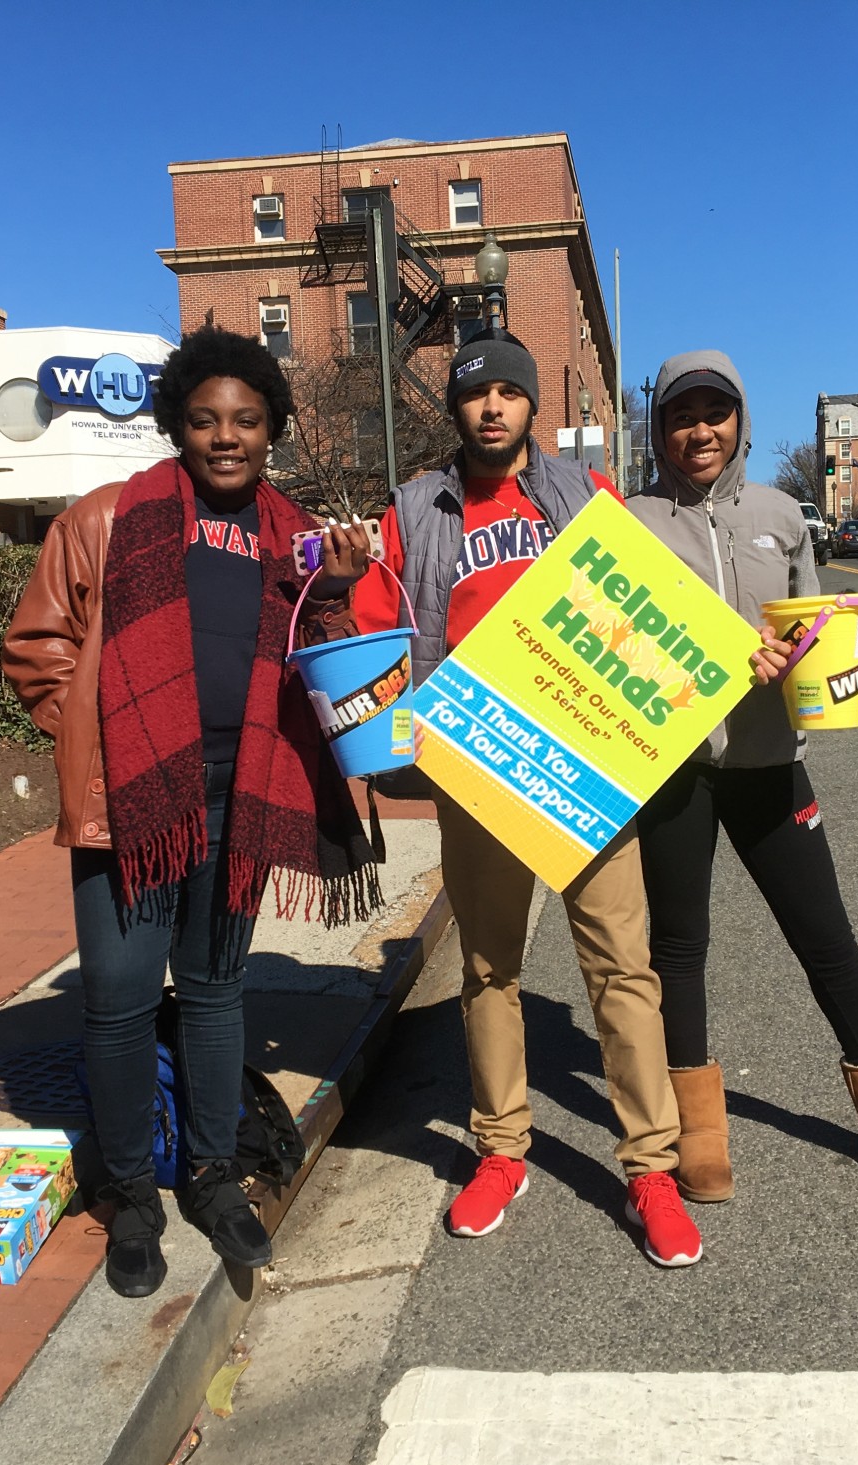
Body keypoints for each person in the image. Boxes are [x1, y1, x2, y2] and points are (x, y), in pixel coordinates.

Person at [3, 327, 380, 1299]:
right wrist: (99, 740)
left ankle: (211, 1173)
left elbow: (327, 657)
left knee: (214, 992)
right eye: (206, 419)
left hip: (236, 792)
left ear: (271, 430)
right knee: (120, 998)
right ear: (177, 424)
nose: (225, 437)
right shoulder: (106, 519)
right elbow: (36, 647)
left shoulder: (294, 536)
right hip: (133, 805)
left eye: (246, 420)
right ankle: (130, 1192)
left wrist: (333, 589)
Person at [343, 330, 703, 1268]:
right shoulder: (414, 510)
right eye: (475, 394)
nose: (492, 407)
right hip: (478, 762)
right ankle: (501, 1151)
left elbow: (650, 611)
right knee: (489, 968)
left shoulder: (584, 495)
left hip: (583, 761)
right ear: (456, 409)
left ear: (532, 403)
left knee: (621, 967)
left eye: (508, 392)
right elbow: (380, 632)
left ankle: (651, 1169)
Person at [624, 350, 858, 1203]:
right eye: (681, 416)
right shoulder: (632, 522)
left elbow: (812, 622)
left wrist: (822, 645)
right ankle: (699, 1129)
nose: (700, 431)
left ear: (739, 421)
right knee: (679, 948)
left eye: (715, 413)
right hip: (678, 768)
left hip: (771, 760)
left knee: (825, 936)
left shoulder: (779, 514)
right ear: (659, 429)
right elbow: (617, 644)